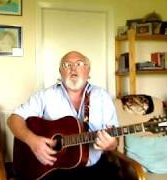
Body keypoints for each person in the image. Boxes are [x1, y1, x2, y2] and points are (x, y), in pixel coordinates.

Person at [7, 51, 121, 179]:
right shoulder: (45, 96)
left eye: (79, 64)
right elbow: (13, 119)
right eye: (67, 65)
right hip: (53, 170)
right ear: (60, 72)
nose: (73, 68)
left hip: (94, 169)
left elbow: (115, 138)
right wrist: (32, 140)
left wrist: (111, 145)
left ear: (88, 71)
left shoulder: (103, 97)